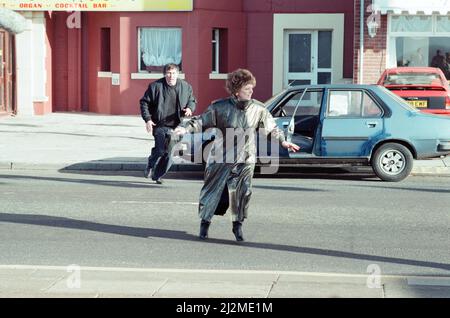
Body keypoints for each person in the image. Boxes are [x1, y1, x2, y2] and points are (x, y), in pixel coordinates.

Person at [174, 69, 300, 241]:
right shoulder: (220, 107)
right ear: (236, 90)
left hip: (245, 158)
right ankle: (205, 224)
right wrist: (186, 128)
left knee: (242, 193)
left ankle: (237, 226)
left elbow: (271, 128)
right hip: (221, 157)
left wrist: (283, 141)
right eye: (247, 88)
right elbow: (201, 121)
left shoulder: (258, 109)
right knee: (212, 192)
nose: (251, 91)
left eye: (251, 87)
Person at [139, 63, 197, 184]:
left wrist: (190, 108)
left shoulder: (185, 86)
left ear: (178, 74)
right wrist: (148, 119)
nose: (171, 76)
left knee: (170, 152)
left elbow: (192, 100)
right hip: (159, 125)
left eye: (174, 73)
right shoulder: (155, 86)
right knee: (160, 150)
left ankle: (157, 175)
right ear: (165, 74)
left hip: (177, 127)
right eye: (169, 73)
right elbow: (144, 103)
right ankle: (151, 164)